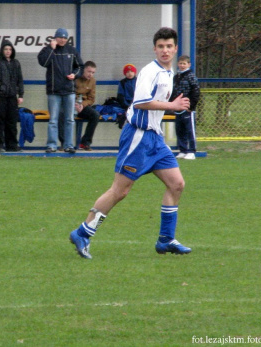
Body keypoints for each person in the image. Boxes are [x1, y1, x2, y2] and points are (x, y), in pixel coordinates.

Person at [68, 27, 192, 259]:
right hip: (138, 136)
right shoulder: (149, 72)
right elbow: (141, 103)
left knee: (176, 184)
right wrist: (173, 106)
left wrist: (175, 103)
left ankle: (166, 239)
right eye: (161, 46)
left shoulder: (169, 72)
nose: (165, 50)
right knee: (120, 190)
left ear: (175, 49)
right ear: (154, 49)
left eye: (169, 46)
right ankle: (82, 232)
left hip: (155, 138)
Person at [38, 28, 84, 154]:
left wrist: (75, 75)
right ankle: (52, 145)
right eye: (60, 37)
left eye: (65, 38)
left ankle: (68, 145)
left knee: (70, 119)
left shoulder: (72, 51)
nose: (63, 40)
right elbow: (44, 62)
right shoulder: (48, 50)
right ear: (55, 38)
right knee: (53, 120)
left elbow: (80, 66)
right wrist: (51, 49)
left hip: (69, 91)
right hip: (54, 91)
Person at [0, 40, 24, 153]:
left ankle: (12, 145)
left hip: (12, 97)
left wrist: (21, 95)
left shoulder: (16, 63)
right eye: (5, 49)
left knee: (12, 122)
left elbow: (20, 80)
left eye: (10, 49)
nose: (8, 51)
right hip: (0, 97)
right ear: (2, 50)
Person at [170, 55, 201, 160]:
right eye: (180, 63)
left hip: (187, 108)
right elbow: (173, 91)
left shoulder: (191, 76)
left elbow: (196, 91)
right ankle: (183, 150)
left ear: (189, 65)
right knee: (179, 129)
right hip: (178, 108)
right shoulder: (176, 76)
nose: (182, 65)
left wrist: (191, 106)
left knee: (189, 130)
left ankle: (192, 151)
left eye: (184, 63)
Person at [74, 61, 100, 151]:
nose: (91, 74)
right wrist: (75, 104)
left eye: (93, 72)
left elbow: (91, 99)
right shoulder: (75, 78)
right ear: (83, 70)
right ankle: (64, 144)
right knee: (62, 115)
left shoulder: (93, 81)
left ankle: (85, 143)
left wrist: (82, 105)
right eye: (89, 71)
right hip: (71, 104)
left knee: (95, 115)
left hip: (83, 106)